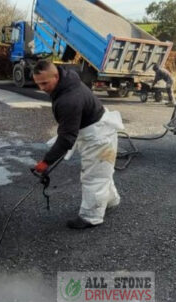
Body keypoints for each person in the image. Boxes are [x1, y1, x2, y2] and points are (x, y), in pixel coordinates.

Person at [31, 60, 122, 229]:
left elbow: (66, 138)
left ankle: (91, 217)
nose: (42, 88)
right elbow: (68, 132)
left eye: (45, 83)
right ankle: (110, 200)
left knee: (93, 176)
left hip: (99, 137)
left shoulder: (69, 99)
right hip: (97, 128)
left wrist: (46, 161)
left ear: (56, 76)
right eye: (38, 83)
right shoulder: (67, 80)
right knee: (102, 172)